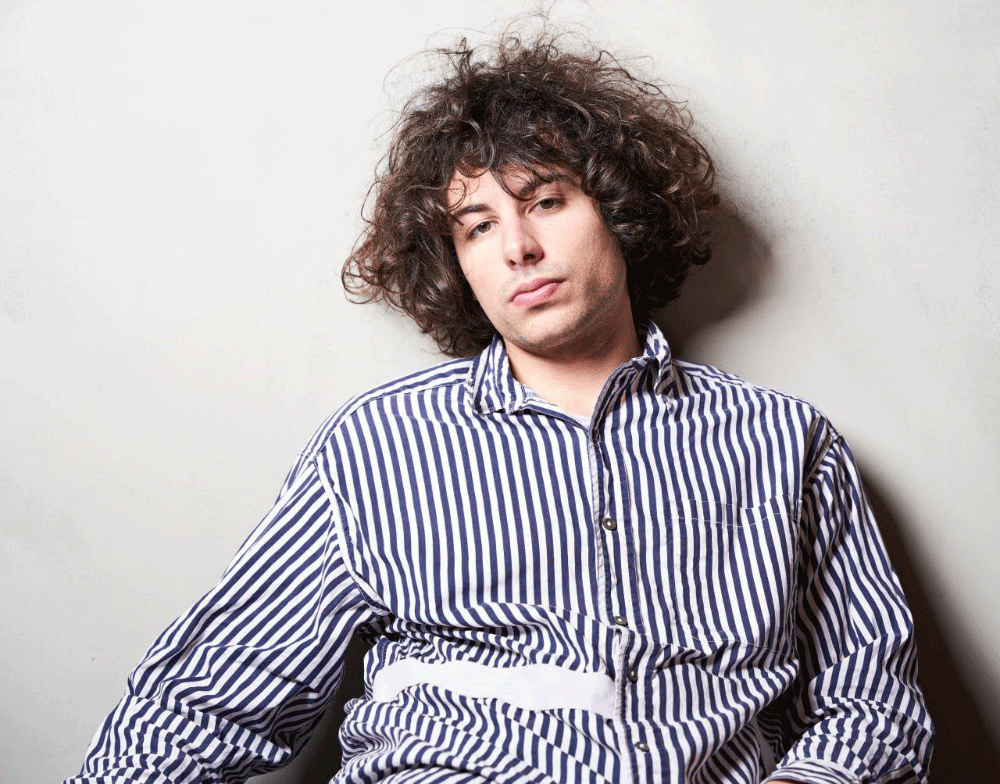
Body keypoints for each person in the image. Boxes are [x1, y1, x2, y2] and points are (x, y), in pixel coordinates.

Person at [66, 30, 934, 784]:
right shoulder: (379, 446)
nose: (518, 246)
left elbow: (875, 703)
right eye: (478, 225)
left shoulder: (783, 441)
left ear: (620, 214)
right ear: (457, 263)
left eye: (546, 202)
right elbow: (206, 698)